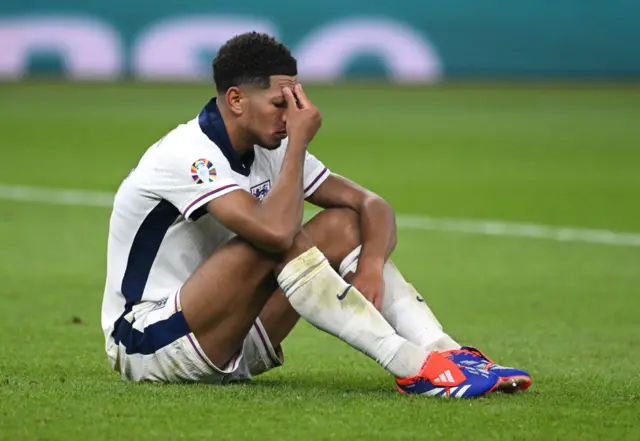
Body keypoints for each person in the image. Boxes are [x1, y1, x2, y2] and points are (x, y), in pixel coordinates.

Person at [100, 31, 532, 398]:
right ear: (235, 100)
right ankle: (413, 367)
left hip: (231, 335)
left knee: (343, 224)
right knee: (276, 238)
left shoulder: (269, 145)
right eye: (279, 103)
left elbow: (371, 206)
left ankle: (445, 352)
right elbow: (275, 233)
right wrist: (299, 146)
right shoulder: (188, 153)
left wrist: (371, 267)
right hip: (149, 342)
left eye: (296, 101)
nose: (292, 117)